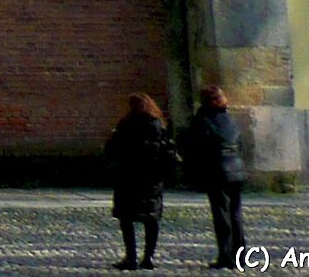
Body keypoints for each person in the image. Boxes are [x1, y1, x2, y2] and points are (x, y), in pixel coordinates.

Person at [178, 84, 248, 267]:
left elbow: (194, 146)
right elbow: (240, 143)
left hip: (217, 171)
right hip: (237, 169)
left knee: (221, 215)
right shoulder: (229, 118)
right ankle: (240, 255)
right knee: (236, 215)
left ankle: (226, 256)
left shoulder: (203, 120)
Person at [106, 92, 178, 269]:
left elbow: (112, 149)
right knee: (151, 219)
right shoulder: (157, 125)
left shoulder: (125, 125)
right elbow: (168, 151)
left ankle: (130, 257)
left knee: (127, 219)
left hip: (128, 178)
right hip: (152, 179)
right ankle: (149, 257)